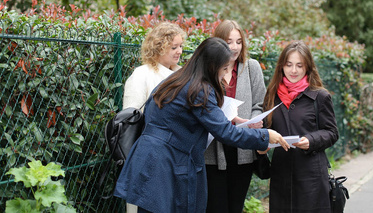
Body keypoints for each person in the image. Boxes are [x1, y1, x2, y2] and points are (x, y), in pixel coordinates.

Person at [114, 37, 290, 213]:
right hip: (166, 164)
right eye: (224, 69)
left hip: (152, 158)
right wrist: (265, 136)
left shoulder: (178, 78)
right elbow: (226, 133)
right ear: (212, 66)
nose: (224, 75)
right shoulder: (199, 89)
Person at [263, 40, 339, 213]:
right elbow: (265, 129)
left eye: (299, 65)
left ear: (307, 67)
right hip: (281, 174)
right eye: (289, 65)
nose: (293, 70)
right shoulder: (271, 96)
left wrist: (311, 140)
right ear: (282, 66)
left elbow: (332, 132)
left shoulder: (320, 96)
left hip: (311, 175)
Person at [121, 21, 185, 213]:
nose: (179, 51)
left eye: (181, 46)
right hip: (149, 157)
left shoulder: (183, 74)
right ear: (158, 47)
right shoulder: (142, 75)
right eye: (174, 47)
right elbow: (130, 119)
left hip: (177, 156)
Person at [204, 20, 266, 213]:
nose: (234, 47)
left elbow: (259, 103)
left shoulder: (251, 67)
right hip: (213, 150)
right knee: (216, 206)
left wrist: (254, 121)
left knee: (236, 206)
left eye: (239, 41)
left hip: (243, 148)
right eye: (229, 41)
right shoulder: (208, 70)